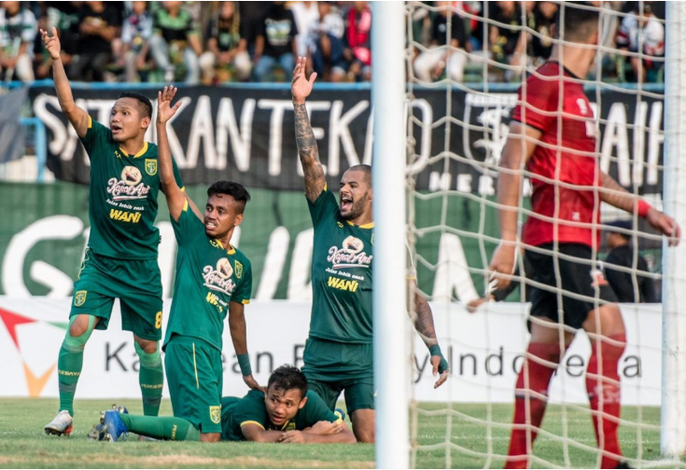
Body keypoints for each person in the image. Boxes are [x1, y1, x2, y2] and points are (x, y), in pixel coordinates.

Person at [487, 4, 681, 469]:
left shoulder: (574, 94)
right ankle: (611, 461)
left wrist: (643, 209)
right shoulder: (547, 84)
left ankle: (516, 463)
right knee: (612, 336)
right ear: (598, 39)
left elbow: (590, 176)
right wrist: (507, 239)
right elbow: (512, 160)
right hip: (556, 239)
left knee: (545, 353)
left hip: (567, 239)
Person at [291, 57, 450, 443]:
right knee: (306, 437)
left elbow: (413, 299)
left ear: (373, 193)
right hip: (320, 354)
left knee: (370, 442)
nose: (343, 189)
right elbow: (311, 162)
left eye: (353, 185)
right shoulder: (326, 215)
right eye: (342, 183)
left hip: (366, 356)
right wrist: (299, 104)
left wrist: (434, 347)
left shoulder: (392, 240)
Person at [93, 85, 261, 443]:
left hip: (211, 351)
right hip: (189, 343)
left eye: (222, 211)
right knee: (207, 437)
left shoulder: (242, 265)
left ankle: (125, 421)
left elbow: (237, 318)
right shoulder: (193, 235)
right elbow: (168, 181)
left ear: (238, 219)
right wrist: (162, 127)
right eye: (211, 208)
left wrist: (246, 370)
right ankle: (125, 422)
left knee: (192, 431)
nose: (212, 216)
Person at [40, 27, 182, 437]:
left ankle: (149, 423)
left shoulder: (157, 159)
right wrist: (55, 57)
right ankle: (65, 414)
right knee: (78, 328)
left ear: (143, 122)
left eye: (123, 113)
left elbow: (173, 190)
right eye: (113, 112)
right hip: (100, 262)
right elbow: (68, 104)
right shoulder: (100, 143)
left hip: (141, 267)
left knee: (148, 348)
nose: (114, 118)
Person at [95, 365, 356, 443]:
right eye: (274, 399)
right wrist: (309, 433)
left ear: (302, 404)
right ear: (266, 393)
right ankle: (120, 420)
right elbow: (258, 438)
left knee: (155, 439)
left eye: (288, 404)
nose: (279, 408)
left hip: (232, 412)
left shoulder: (311, 402)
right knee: (195, 436)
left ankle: (133, 423)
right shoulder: (254, 402)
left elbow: (349, 439)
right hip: (220, 416)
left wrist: (308, 437)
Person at [413, 0, 468, 83]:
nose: (439, 4)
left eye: (442, 2)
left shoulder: (457, 19)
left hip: (456, 51)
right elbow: (435, 41)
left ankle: (456, 95)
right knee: (419, 65)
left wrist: (441, 63)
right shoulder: (437, 18)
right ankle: (429, 91)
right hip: (439, 49)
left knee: (454, 72)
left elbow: (454, 44)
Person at [604, 220, 657, 303]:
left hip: (621, 308)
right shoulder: (638, 257)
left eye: (609, 233)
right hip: (640, 308)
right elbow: (648, 287)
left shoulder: (614, 257)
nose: (607, 236)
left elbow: (621, 286)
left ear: (617, 235)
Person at [149, 1, 202, 84]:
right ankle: (168, 69)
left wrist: (198, 54)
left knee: (193, 59)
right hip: (166, 51)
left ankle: (191, 87)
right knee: (154, 40)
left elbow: (193, 38)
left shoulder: (186, 15)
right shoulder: (159, 14)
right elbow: (156, 36)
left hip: (182, 51)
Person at [69, 1, 121, 82]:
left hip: (103, 50)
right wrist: (101, 29)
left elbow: (110, 35)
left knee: (97, 66)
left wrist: (93, 29)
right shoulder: (84, 10)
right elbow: (82, 29)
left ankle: (104, 85)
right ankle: (84, 91)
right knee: (74, 71)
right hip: (86, 51)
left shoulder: (110, 11)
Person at [0, 1, 37, 82]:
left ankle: (28, 93)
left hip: (21, 54)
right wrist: (2, 57)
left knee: (25, 73)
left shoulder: (28, 16)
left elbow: (26, 43)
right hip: (1, 53)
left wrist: (14, 59)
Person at [253, 1, 298, 82]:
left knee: (289, 68)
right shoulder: (265, 14)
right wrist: (257, 56)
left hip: (285, 53)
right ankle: (264, 93)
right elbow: (260, 37)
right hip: (268, 53)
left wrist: (295, 55)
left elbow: (294, 37)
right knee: (258, 71)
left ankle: (290, 92)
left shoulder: (289, 13)